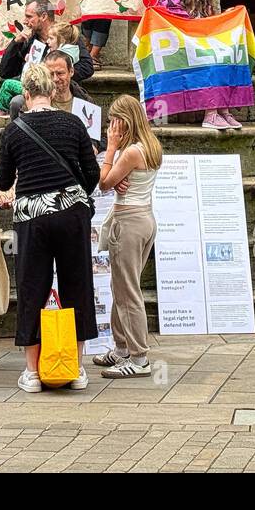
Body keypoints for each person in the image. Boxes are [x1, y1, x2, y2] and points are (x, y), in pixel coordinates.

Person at [0, 61, 99, 393]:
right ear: (53, 90)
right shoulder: (73, 123)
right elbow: (92, 175)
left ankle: (33, 373)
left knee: (32, 289)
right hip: (71, 214)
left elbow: (3, 180)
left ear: (25, 93)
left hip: (33, 218)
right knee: (76, 286)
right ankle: (76, 368)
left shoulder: (14, 129)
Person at [95, 95, 161, 378]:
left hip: (129, 222)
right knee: (120, 287)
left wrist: (109, 152)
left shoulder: (132, 151)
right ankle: (122, 348)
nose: (110, 127)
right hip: (144, 218)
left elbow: (104, 182)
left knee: (128, 292)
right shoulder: (151, 146)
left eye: (113, 121)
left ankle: (139, 357)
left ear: (124, 121)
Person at [158, 0, 241, 131]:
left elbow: (211, 28)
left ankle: (223, 110)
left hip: (198, 51)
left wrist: (226, 16)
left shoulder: (205, 1)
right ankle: (211, 115)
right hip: (177, 54)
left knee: (226, 56)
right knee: (212, 61)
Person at [0, 0, 95, 84]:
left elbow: (87, 67)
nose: (24, 21)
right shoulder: (28, 41)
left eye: (29, 17)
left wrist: (55, 75)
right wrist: (15, 43)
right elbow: (5, 72)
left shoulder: (66, 35)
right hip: (32, 94)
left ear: (44, 16)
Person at [9, 49, 95, 128]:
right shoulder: (25, 102)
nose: (55, 79)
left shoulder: (86, 102)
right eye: (50, 74)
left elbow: (95, 139)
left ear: (71, 71)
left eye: (60, 73)